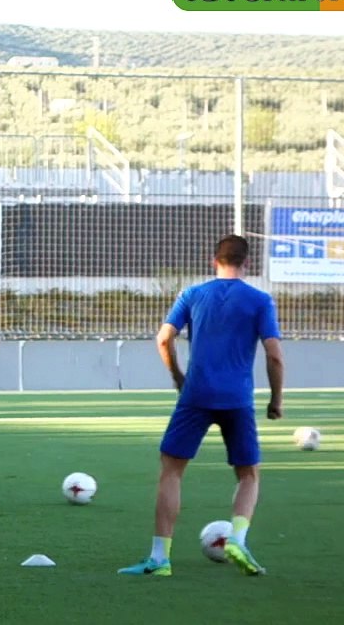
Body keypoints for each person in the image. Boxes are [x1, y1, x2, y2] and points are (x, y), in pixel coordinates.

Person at [119, 234, 284, 578]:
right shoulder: (260, 300)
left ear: (214, 260)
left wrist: (178, 377)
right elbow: (274, 355)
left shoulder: (193, 294)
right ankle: (237, 537)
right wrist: (275, 400)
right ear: (247, 263)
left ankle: (159, 558)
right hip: (238, 399)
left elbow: (163, 339)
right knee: (248, 474)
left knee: (172, 471)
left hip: (195, 395)